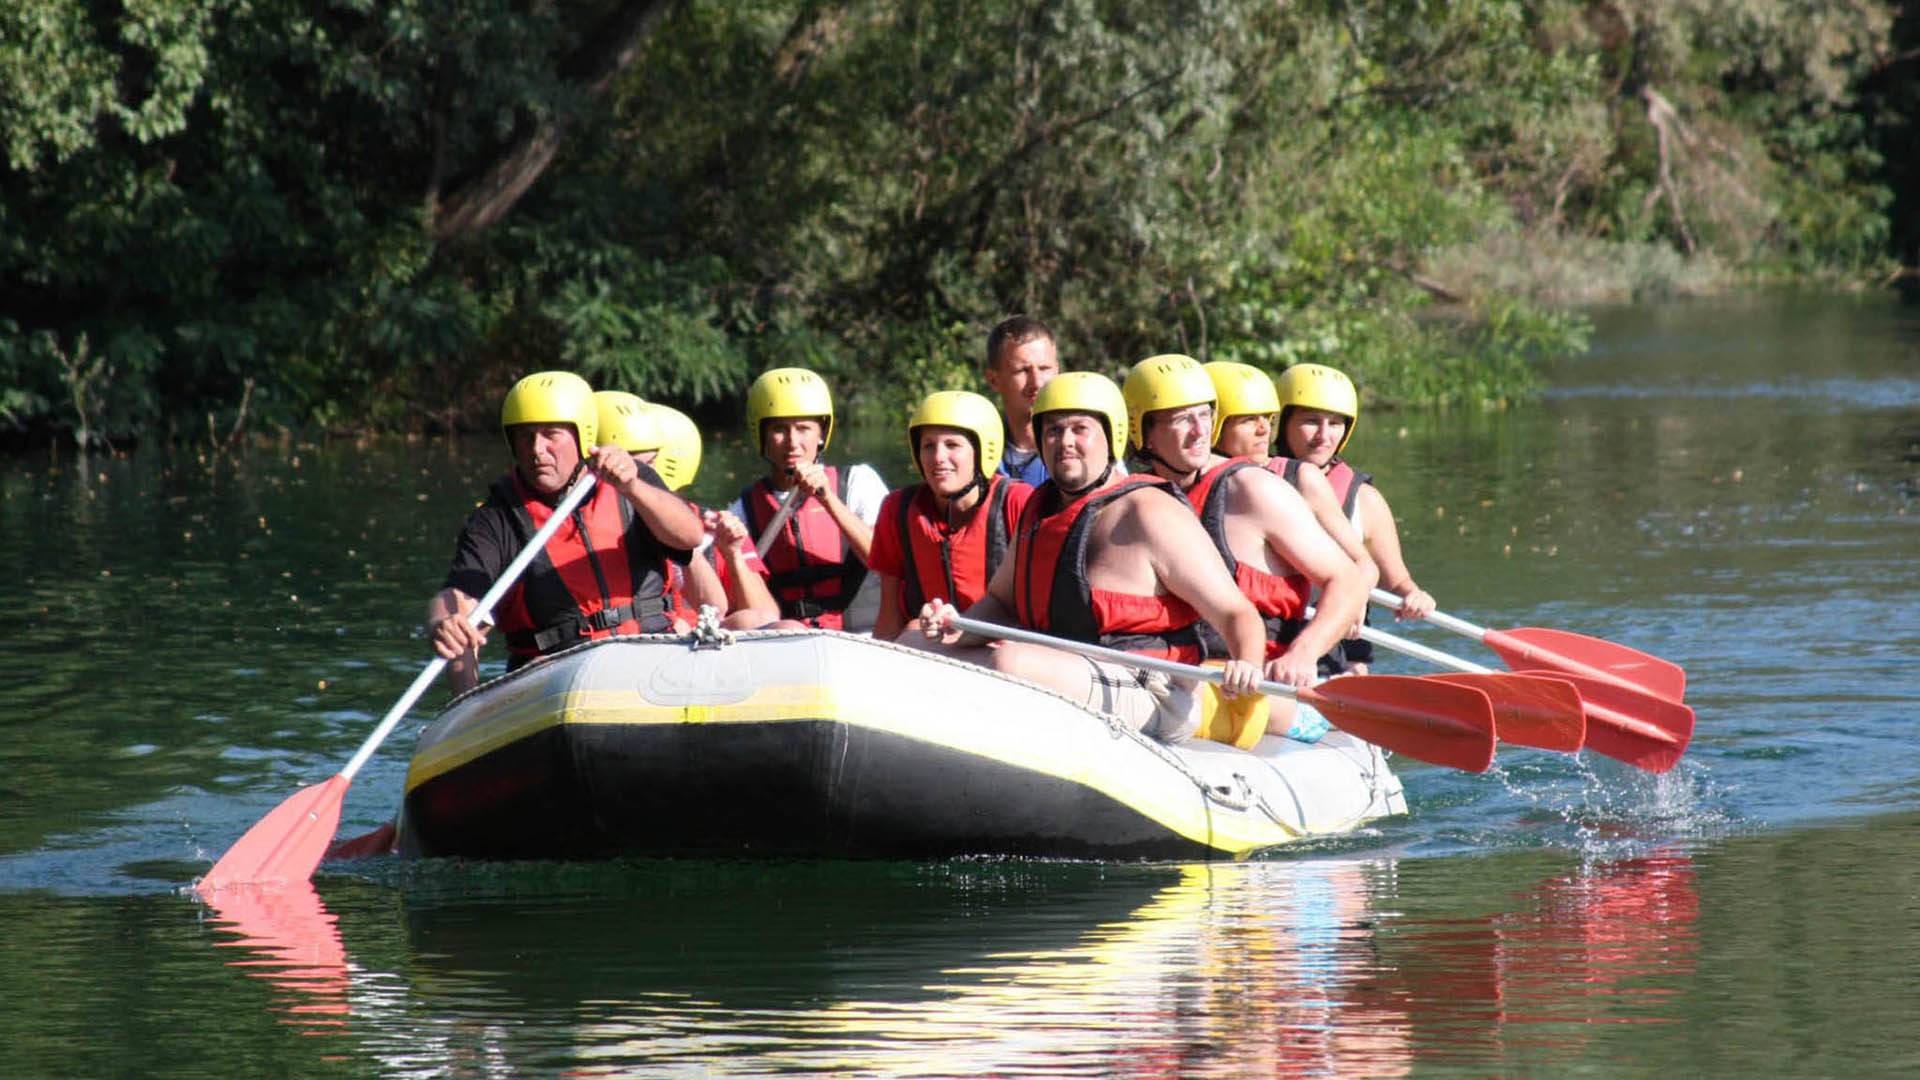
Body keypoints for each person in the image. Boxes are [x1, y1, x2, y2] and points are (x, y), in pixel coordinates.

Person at [912, 371, 1266, 742]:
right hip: (1064, 670)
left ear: (1111, 435)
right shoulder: (1040, 507)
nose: (1064, 442)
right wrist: (956, 628)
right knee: (913, 643)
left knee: (1011, 662)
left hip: (1154, 690)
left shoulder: (1150, 511)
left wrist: (1248, 663)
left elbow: (1237, 613)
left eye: (1080, 429)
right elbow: (1003, 601)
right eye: (1053, 431)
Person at [1122, 355, 1369, 738]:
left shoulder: (1253, 489)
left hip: (1265, 687)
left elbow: (1350, 580)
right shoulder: (1136, 498)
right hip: (1181, 678)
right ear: (1144, 432)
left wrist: (1303, 653)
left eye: (1204, 416)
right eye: (1180, 420)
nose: (1198, 432)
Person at [428, 371, 705, 694]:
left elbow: (689, 536)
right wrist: (442, 621)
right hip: (559, 674)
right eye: (525, 436)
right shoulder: (496, 518)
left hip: (650, 652)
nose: (537, 449)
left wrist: (632, 488)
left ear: (583, 435)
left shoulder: (634, 480)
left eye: (551, 435)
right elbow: (458, 593)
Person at [1276, 362, 1435, 674]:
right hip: (1273, 644)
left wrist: (1414, 595)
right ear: (1283, 423)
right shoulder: (1254, 482)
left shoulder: (1365, 500)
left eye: (1335, 423)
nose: (1324, 435)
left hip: (1340, 656)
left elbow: (1398, 580)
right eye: (1310, 421)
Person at [596, 392, 779, 631]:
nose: (631, 471)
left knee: (759, 621)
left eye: (646, 464)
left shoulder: (713, 523)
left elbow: (761, 615)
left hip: (696, 638)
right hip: (644, 637)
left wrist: (732, 554)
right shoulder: (594, 525)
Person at [728, 367, 889, 630]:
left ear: (821, 433)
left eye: (804, 429)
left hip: (863, 637)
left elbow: (884, 559)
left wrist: (828, 500)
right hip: (791, 641)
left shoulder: (859, 482)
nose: (793, 442)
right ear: (763, 435)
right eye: (780, 429)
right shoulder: (743, 511)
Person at [868, 390, 1035, 640]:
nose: (938, 458)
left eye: (952, 445)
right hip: (930, 644)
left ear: (982, 451)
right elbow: (888, 619)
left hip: (1002, 646)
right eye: (928, 446)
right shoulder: (897, 509)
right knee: (913, 629)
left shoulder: (1017, 502)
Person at [982, 316, 1060, 487]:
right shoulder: (976, 457)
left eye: (1045, 368)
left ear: (1057, 370)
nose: (1037, 382)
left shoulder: (1087, 448)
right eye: (1023, 371)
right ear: (994, 380)